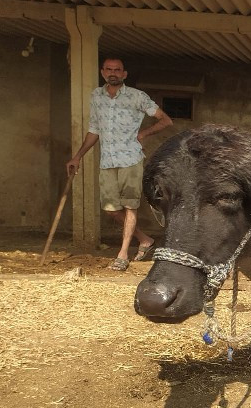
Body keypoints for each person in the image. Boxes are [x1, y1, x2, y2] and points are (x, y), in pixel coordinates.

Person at [66, 58, 173, 270]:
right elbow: (94, 130)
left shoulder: (137, 96)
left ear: (124, 74)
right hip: (107, 161)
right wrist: (77, 156)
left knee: (130, 206)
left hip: (131, 159)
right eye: (109, 69)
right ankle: (145, 240)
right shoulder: (96, 97)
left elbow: (165, 120)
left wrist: (144, 133)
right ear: (102, 72)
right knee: (110, 210)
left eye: (117, 70)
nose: (113, 73)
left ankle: (122, 254)